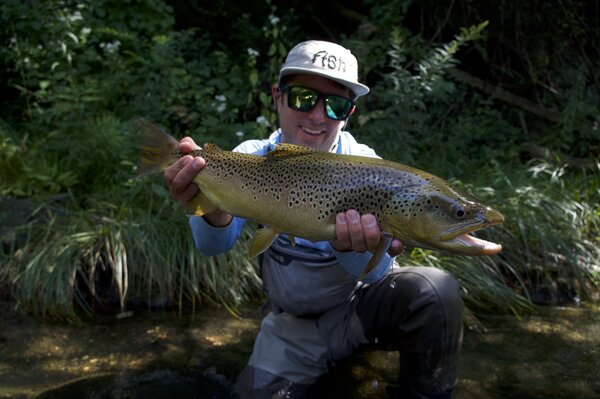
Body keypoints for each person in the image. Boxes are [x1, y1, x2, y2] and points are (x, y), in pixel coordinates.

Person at [164, 40, 464, 399]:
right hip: (291, 328)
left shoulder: (368, 168)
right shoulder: (249, 159)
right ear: (278, 96)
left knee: (435, 292)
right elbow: (212, 246)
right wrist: (210, 207)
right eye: (304, 99)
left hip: (358, 310)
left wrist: (350, 248)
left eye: (336, 105)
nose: (318, 117)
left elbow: (378, 273)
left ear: (349, 113)